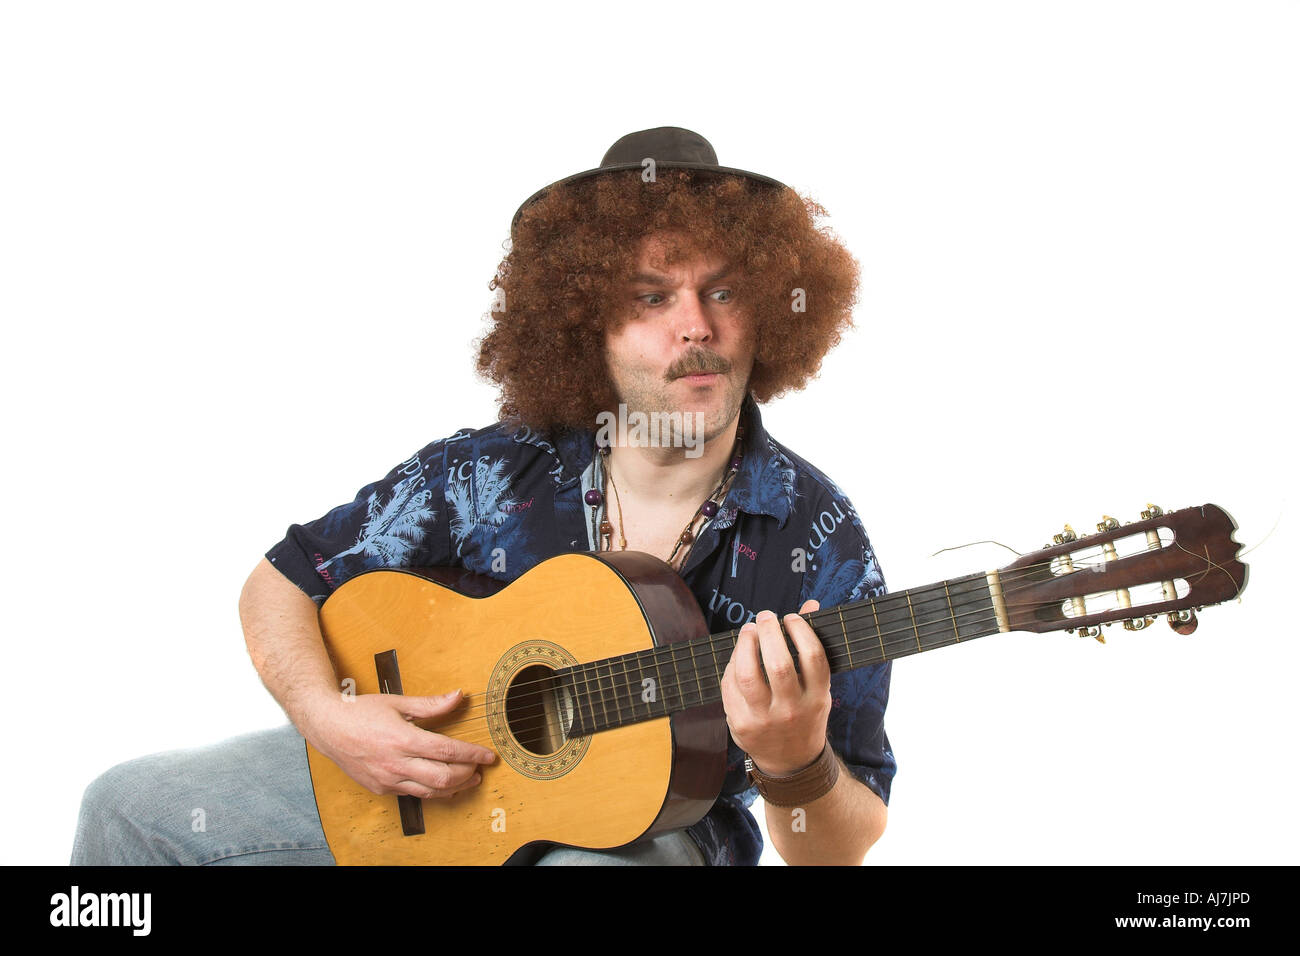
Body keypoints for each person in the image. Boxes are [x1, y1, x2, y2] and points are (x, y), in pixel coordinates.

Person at [72, 127, 895, 866]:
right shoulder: (493, 470)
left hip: (650, 836)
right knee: (126, 810)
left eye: (723, 292)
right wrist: (328, 715)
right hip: (427, 795)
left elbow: (839, 848)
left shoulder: (814, 535)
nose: (697, 327)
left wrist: (795, 762)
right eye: (651, 298)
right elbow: (280, 582)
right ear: (584, 327)